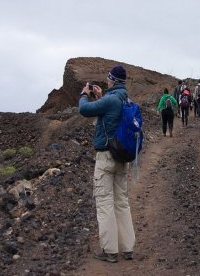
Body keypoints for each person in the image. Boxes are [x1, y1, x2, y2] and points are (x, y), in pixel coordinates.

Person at [79, 64, 135, 263]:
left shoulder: (111, 100)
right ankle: (128, 248)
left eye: (108, 78)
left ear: (113, 80)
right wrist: (100, 96)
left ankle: (110, 251)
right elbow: (110, 115)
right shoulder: (126, 99)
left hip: (105, 158)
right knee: (122, 202)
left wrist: (84, 94)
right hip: (122, 157)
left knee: (104, 203)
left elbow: (84, 110)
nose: (107, 80)